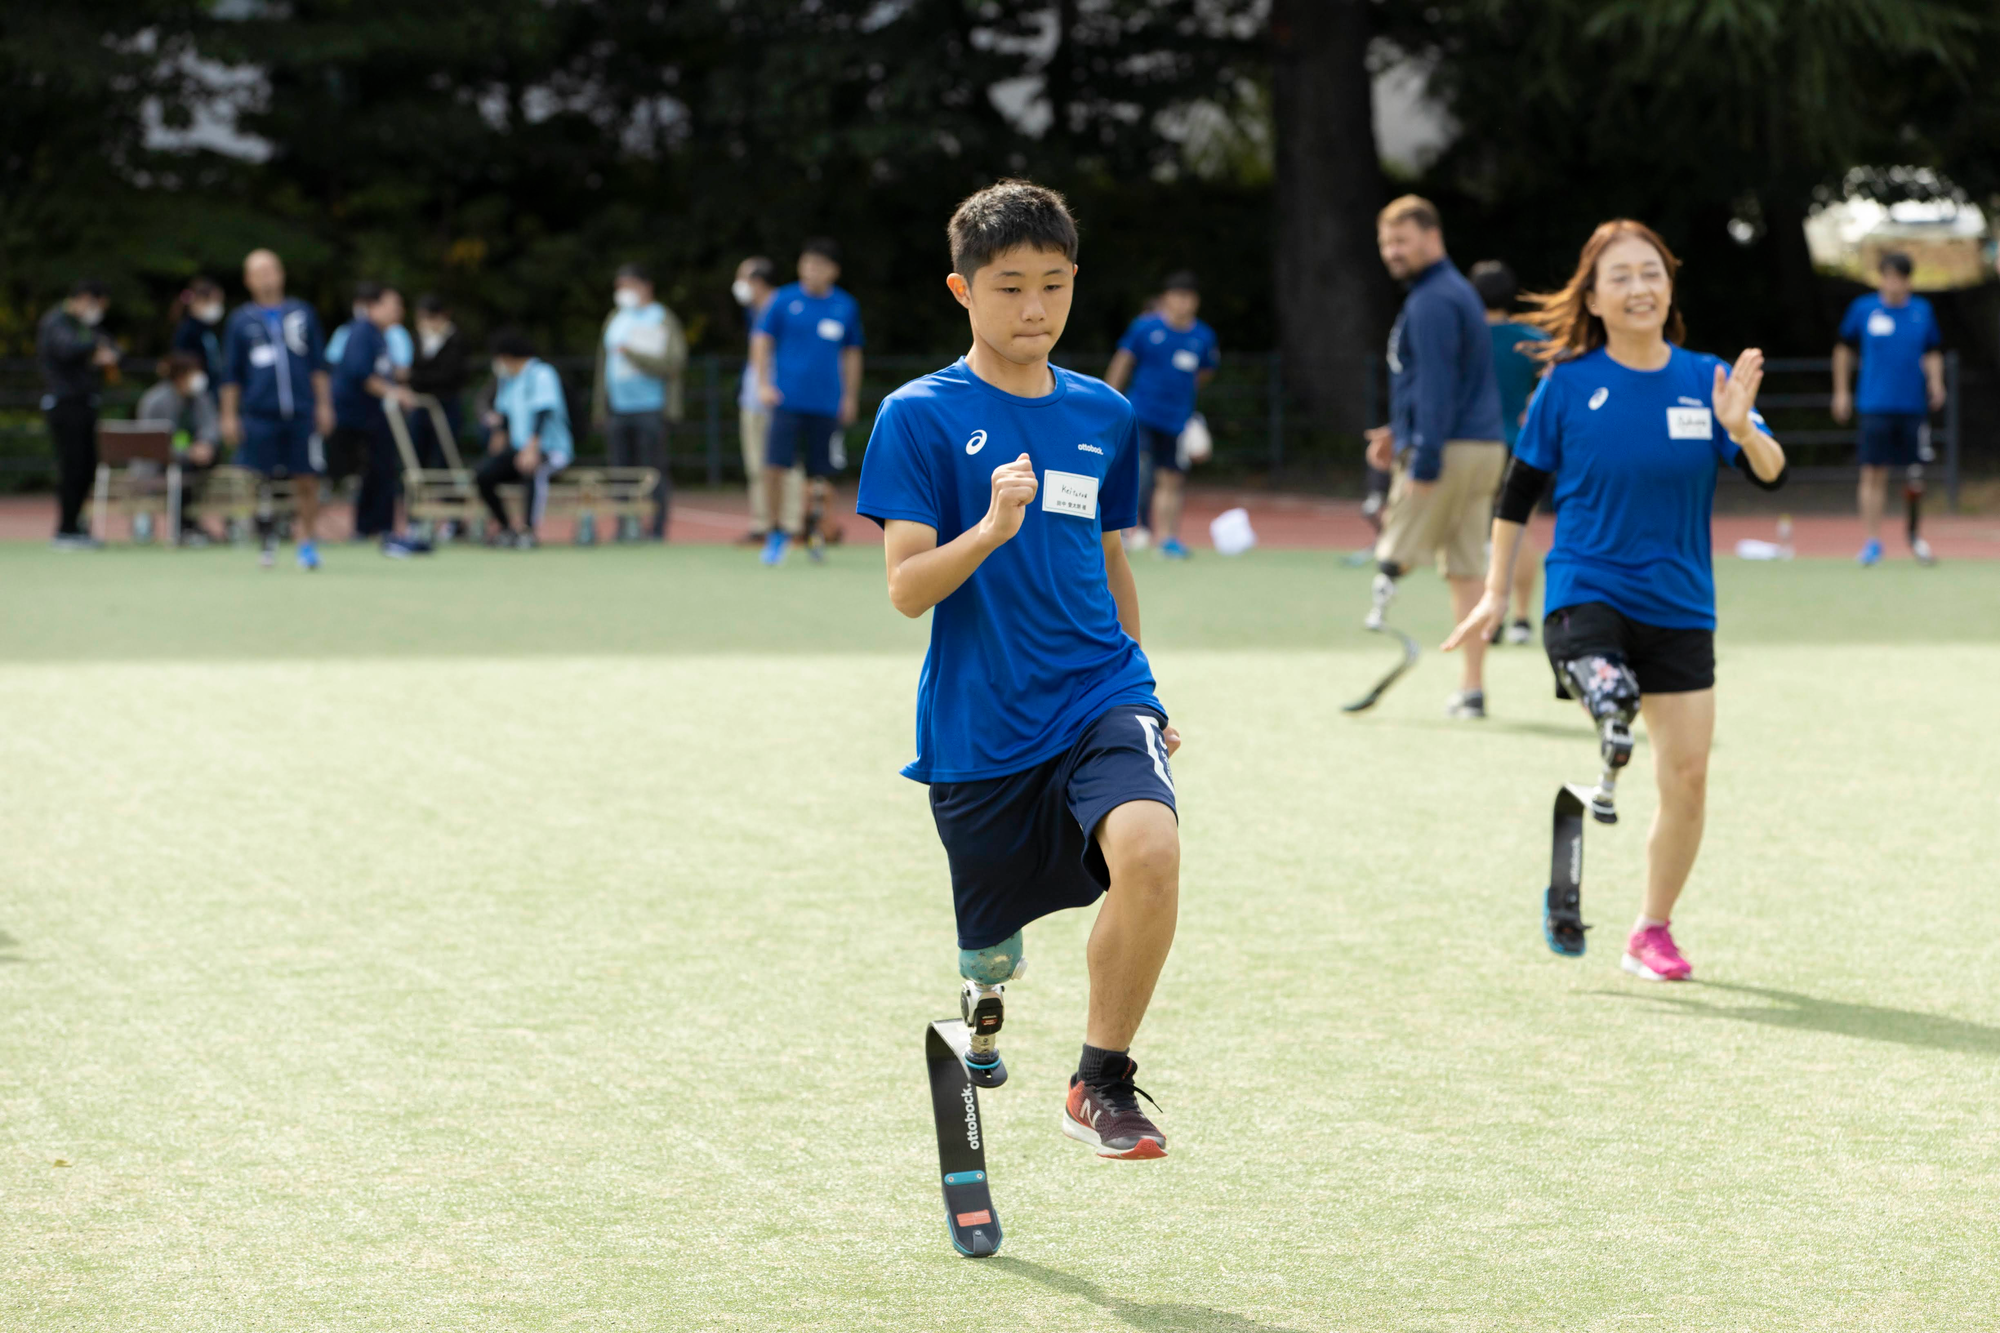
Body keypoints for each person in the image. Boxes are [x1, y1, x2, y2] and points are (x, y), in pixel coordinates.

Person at [856, 179, 1182, 1160]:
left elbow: (1110, 560)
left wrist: (1145, 690)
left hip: (1101, 691)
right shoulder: (916, 416)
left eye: (1052, 284)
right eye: (1008, 287)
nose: (1034, 308)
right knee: (992, 950)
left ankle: (1100, 1081)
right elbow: (906, 587)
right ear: (962, 289)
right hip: (982, 725)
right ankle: (983, 986)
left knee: (1150, 851)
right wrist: (991, 529)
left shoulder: (1105, 413)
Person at [1443, 220, 1787, 980]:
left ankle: (1650, 930)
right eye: (1621, 276)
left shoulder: (1707, 379)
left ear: (1670, 286)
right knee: (1606, 681)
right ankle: (1606, 698)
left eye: (1651, 273)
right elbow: (1517, 494)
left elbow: (1772, 472)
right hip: (1586, 589)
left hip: (1681, 603)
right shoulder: (1567, 385)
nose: (1640, 287)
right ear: (1594, 299)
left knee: (1688, 776)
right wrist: (1495, 590)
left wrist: (1742, 430)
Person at [1364, 195, 1508, 719]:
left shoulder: (1432, 300)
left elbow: (1438, 385)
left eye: (1402, 240)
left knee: (1392, 553)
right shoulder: (1455, 292)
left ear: (1432, 236)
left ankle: (1382, 630)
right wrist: (1398, 430)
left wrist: (1422, 457)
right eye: (1386, 243)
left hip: (1447, 448)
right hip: (1482, 445)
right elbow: (1446, 381)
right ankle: (1472, 689)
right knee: (1467, 570)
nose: (1392, 252)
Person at [219, 248, 334, 570]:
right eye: (259, 272)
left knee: (307, 477)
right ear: (248, 280)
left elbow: (318, 365)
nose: (266, 278)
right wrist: (228, 415)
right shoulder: (241, 321)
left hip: (301, 411)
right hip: (259, 413)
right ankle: (267, 539)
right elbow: (231, 374)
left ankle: (306, 541)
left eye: (271, 270)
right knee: (259, 479)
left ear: (282, 273)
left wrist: (324, 404)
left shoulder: (302, 314)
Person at [751, 237, 863, 564]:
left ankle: (814, 533)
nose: (812, 270)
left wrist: (849, 396)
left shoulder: (845, 306)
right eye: (808, 263)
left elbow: (852, 354)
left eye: (820, 265)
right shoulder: (782, 300)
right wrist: (763, 384)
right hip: (786, 400)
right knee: (774, 467)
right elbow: (761, 341)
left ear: (833, 271)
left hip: (826, 404)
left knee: (820, 475)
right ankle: (775, 532)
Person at [1832, 251, 1945, 566]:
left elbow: (1933, 351)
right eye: (1888, 277)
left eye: (1898, 278)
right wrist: (1841, 392)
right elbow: (1843, 349)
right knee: (1872, 472)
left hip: (1912, 406)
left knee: (1915, 476)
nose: (1892, 283)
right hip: (1874, 405)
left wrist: (1936, 382)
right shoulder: (1863, 309)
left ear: (1908, 281)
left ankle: (1915, 537)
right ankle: (1872, 541)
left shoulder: (1922, 311)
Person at [1104, 272, 1219, 559]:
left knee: (1171, 479)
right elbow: (1123, 362)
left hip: (1177, 420)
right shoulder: (1145, 328)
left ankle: (1167, 539)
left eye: (1188, 297)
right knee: (1137, 470)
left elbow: (1205, 373)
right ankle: (1122, 533)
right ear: (1166, 298)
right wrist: (1108, 400)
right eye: (1177, 296)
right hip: (1141, 413)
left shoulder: (1203, 336)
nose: (1182, 303)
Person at [1470, 259, 1550, 645]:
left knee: (1480, 532)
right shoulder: (1529, 338)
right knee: (1522, 531)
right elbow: (1563, 371)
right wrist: (1535, 404)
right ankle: (1520, 619)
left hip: (1475, 445)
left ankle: (1489, 616)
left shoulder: (1465, 336)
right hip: (1522, 445)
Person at [592, 262, 688, 540]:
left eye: (628, 285)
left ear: (646, 287)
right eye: (619, 286)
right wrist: (600, 407)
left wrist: (632, 354)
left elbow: (673, 363)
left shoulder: (662, 318)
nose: (622, 291)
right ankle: (625, 525)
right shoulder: (615, 318)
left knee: (653, 471)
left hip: (651, 408)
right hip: (618, 408)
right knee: (619, 471)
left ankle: (656, 528)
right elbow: (604, 366)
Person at [331, 284, 426, 556]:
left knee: (381, 469)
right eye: (393, 304)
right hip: (353, 416)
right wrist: (395, 392)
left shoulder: (380, 335)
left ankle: (378, 527)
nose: (399, 311)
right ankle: (367, 527)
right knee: (367, 469)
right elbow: (361, 374)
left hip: (372, 415)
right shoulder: (362, 332)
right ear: (374, 306)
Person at [36, 278, 120, 549]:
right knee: (72, 466)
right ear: (84, 299)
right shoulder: (56, 322)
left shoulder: (85, 326)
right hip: (65, 404)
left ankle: (76, 524)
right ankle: (66, 529)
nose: (98, 312)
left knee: (87, 466)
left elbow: (113, 346)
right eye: (97, 305)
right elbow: (67, 349)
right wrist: (94, 348)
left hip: (86, 403)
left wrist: (106, 352)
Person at [732, 256, 804, 545]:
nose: (738, 285)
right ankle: (762, 524)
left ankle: (792, 524)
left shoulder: (784, 305)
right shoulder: (753, 311)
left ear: (758, 281)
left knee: (787, 464)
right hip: (753, 398)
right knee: (756, 464)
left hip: (782, 395)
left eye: (742, 278)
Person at [479, 329, 573, 548]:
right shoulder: (508, 379)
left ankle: (529, 530)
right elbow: (505, 413)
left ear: (507, 356)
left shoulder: (541, 374)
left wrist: (532, 447)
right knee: (483, 475)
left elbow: (544, 411)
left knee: (533, 468)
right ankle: (506, 528)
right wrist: (499, 436)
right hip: (520, 449)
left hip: (551, 450)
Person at [135, 352, 222, 544]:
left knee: (209, 460)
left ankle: (190, 525)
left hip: (193, 462)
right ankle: (184, 526)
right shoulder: (155, 400)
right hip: (158, 465)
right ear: (181, 376)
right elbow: (151, 443)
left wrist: (206, 444)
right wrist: (187, 453)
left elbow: (211, 426)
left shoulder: (200, 397)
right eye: (194, 373)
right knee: (183, 472)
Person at [408, 294, 468, 469]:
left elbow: (451, 374)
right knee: (417, 450)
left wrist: (414, 377)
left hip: (447, 402)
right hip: (420, 403)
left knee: (446, 452)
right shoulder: (416, 338)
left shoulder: (456, 339)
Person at [168, 277, 228, 387]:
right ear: (199, 301)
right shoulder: (187, 330)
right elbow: (180, 359)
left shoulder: (207, 329)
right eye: (214, 301)